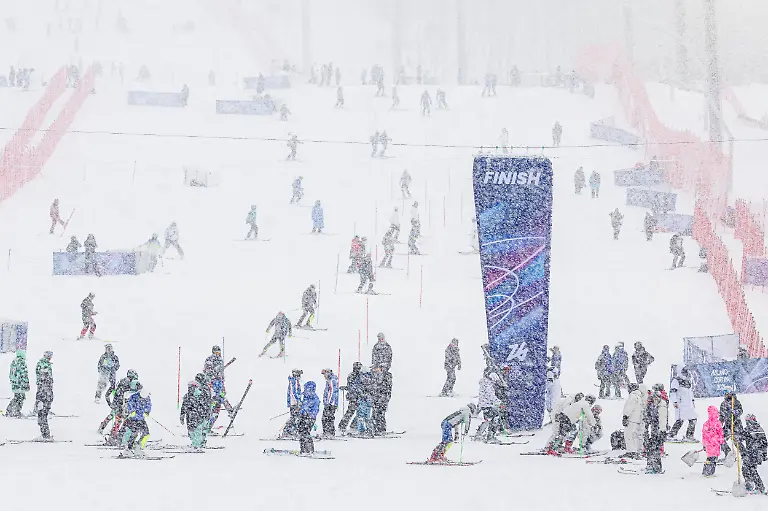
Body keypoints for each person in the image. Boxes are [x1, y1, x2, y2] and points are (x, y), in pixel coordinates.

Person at [99, 369, 139, 441]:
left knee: (112, 416)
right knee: (119, 419)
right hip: (120, 404)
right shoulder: (127, 382)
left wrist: (111, 403)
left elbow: (117, 392)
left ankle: (103, 428)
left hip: (118, 403)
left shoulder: (123, 381)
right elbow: (122, 393)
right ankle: (113, 435)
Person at [205, 345, 234, 426]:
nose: (218, 354)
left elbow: (221, 373)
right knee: (215, 400)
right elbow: (207, 372)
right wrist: (213, 372)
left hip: (219, 382)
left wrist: (222, 381)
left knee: (222, 396)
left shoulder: (220, 360)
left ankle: (230, 410)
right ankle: (208, 421)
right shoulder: (209, 360)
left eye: (219, 352)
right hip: (213, 383)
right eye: (216, 352)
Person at [121, 380, 152, 457]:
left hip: (141, 419)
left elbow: (149, 405)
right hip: (133, 419)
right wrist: (132, 411)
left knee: (146, 434)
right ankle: (128, 449)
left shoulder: (147, 397)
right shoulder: (134, 397)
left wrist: (147, 412)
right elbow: (129, 404)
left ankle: (138, 447)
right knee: (134, 434)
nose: (143, 399)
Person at [643, 385, 668, 474]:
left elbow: (662, 420)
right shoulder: (653, 405)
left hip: (658, 430)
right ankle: (650, 465)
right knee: (650, 448)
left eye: (656, 399)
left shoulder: (662, 406)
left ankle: (656, 467)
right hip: (653, 429)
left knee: (655, 449)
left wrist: (662, 431)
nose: (655, 400)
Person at [180, 380, 212, 449]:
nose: (190, 389)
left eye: (192, 387)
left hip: (198, 416)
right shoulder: (187, 396)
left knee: (197, 431)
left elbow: (205, 406)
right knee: (191, 431)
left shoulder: (200, 396)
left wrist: (206, 414)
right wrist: (182, 415)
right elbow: (184, 406)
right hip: (190, 417)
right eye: (189, 387)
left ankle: (198, 444)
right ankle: (195, 443)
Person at [668, 366, 697, 441]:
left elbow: (690, 392)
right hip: (680, 404)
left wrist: (692, 400)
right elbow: (672, 392)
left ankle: (689, 436)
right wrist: (674, 401)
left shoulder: (688, 381)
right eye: (683, 371)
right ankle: (671, 435)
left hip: (689, 404)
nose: (685, 373)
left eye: (686, 371)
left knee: (693, 419)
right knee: (680, 420)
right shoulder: (676, 380)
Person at [742, 414, 767, 493]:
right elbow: (765, 442)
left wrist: (736, 436)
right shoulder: (760, 428)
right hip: (758, 453)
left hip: (752, 453)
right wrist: (764, 454)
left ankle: (755, 486)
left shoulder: (748, 429)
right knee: (752, 469)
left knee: (747, 469)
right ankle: (756, 486)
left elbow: (741, 437)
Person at [476, 368, 503, 442]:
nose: (495, 383)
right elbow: (490, 396)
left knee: (488, 420)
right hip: (487, 405)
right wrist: (499, 402)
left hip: (485, 405)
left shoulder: (485, 383)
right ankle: (490, 436)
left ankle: (479, 434)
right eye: (495, 381)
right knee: (494, 419)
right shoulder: (488, 385)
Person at [621, 384, 646, 459]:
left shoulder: (633, 396)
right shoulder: (639, 396)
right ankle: (636, 451)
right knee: (635, 436)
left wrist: (625, 416)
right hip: (637, 419)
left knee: (628, 435)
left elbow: (629, 407)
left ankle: (631, 451)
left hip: (631, 419)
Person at [34, 351, 55, 441]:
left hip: (44, 394)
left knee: (42, 415)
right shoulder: (44, 366)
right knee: (42, 415)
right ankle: (45, 434)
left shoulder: (44, 364)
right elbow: (45, 381)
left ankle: (45, 435)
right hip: (45, 394)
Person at [338, 362, 363, 433]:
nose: (358, 369)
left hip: (356, 396)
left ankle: (350, 424)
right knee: (353, 411)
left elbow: (351, 386)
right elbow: (352, 386)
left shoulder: (357, 375)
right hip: (355, 396)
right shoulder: (355, 375)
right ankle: (344, 425)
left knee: (357, 411)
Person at [719, 390, 744, 458]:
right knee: (720, 438)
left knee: (736, 441)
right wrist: (720, 423)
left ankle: (744, 455)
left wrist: (735, 412)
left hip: (736, 424)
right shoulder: (723, 403)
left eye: (726, 393)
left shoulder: (736, 402)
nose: (725, 394)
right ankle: (728, 453)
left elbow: (741, 411)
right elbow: (721, 415)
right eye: (724, 393)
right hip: (727, 425)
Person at [702, 405, 725, 477]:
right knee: (714, 459)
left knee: (709, 458)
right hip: (715, 444)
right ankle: (710, 472)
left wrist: (704, 444)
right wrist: (721, 441)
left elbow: (704, 435)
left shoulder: (706, 423)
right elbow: (720, 433)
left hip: (709, 444)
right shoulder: (718, 423)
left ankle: (706, 471)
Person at [298, 381, 320, 455]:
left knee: (305, 433)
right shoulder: (306, 397)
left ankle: (309, 450)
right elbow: (303, 407)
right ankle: (303, 449)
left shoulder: (314, 398)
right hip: (303, 417)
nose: (305, 390)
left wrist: (310, 415)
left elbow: (315, 409)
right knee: (301, 432)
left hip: (309, 418)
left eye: (306, 389)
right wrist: (300, 411)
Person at [6, 350, 30, 417]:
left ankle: (9, 410)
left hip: (15, 384)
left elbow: (11, 374)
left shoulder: (14, 362)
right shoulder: (22, 363)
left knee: (16, 397)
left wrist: (13, 381)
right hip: (21, 384)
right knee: (20, 398)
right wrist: (26, 384)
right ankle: (16, 411)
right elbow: (24, 375)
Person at [281, 369, 303, 438]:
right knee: (294, 418)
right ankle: (288, 431)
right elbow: (293, 393)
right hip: (294, 403)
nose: (300, 377)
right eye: (299, 375)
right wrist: (297, 402)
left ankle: (290, 431)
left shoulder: (294, 381)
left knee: (294, 417)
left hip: (294, 403)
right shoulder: (294, 381)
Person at [372, 366, 392, 434]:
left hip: (381, 399)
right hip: (379, 398)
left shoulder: (384, 377)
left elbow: (385, 389)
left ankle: (380, 428)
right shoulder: (380, 376)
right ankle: (378, 428)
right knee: (377, 414)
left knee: (379, 414)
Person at [321, 369, 339, 437]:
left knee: (326, 418)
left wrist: (328, 403)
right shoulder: (330, 380)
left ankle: (329, 432)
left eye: (324, 374)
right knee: (328, 418)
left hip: (330, 404)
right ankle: (329, 432)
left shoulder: (331, 380)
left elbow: (332, 392)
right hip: (330, 403)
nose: (324, 376)